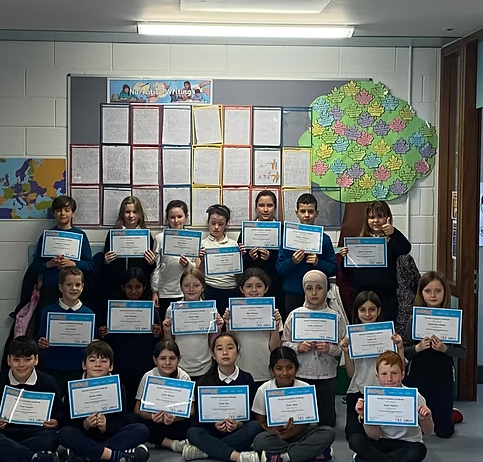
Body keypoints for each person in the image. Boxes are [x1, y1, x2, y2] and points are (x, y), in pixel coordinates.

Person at [58, 341, 150, 462]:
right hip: (84, 434)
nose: (98, 364)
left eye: (103, 361)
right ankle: (115, 456)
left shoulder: (118, 386)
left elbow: (120, 419)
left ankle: (87, 455)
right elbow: (66, 419)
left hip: (109, 435)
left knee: (141, 430)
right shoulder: (73, 386)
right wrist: (85, 424)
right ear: (84, 365)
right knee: (65, 433)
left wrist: (106, 426)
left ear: (111, 366)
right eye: (92, 360)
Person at [403, 271, 466, 439]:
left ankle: (449, 412)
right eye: (428, 291)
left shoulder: (453, 319)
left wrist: (445, 349)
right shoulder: (413, 319)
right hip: (418, 374)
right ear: (421, 293)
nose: (433, 295)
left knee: (444, 432)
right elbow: (404, 350)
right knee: (418, 429)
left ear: (444, 292)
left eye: (438, 291)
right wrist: (418, 348)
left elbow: (462, 351)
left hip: (442, 375)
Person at [183, 333, 262, 462]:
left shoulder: (247, 379)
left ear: (238, 352)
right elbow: (198, 419)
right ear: (213, 355)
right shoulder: (204, 381)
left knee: (255, 427)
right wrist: (214, 424)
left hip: (236, 432)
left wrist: (239, 424)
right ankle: (236, 456)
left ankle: (205, 451)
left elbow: (252, 416)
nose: (225, 352)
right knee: (193, 432)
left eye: (230, 348)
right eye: (219, 349)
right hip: (213, 432)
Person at [282, 270, 346, 427]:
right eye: (309, 288)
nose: (314, 293)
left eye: (319, 288)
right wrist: (298, 347)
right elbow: (284, 343)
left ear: (326, 289)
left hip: (327, 375)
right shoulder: (295, 315)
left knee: (326, 418)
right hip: (301, 373)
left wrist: (330, 348)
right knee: (301, 418)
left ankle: (324, 446)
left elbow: (344, 347)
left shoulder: (335, 317)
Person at [252, 347, 335, 462]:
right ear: (272, 370)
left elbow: (308, 421)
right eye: (279, 368)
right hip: (276, 435)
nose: (285, 373)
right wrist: (277, 430)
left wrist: (291, 433)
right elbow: (261, 422)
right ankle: (310, 453)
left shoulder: (305, 388)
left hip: (300, 432)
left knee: (328, 432)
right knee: (259, 441)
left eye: (289, 368)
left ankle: (284, 457)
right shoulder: (263, 389)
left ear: (296, 368)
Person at [339, 291, 404, 440]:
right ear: (357, 311)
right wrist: (346, 352)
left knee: (383, 436)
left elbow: (401, 371)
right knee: (354, 435)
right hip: (358, 391)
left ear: (379, 311)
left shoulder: (389, 334)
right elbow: (350, 374)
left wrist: (400, 348)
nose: (367, 314)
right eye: (362, 309)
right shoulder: (350, 337)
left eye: (372, 309)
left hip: (384, 390)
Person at [349, 351, 433, 462]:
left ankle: (371, 459)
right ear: (377, 376)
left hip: (408, 443)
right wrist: (364, 416)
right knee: (355, 440)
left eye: (394, 373)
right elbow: (374, 436)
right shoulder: (373, 397)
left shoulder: (415, 396)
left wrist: (427, 418)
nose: (389, 379)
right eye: (384, 374)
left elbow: (428, 431)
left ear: (402, 375)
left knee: (419, 450)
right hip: (383, 442)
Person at [99, 268, 161, 411]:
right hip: (121, 362)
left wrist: (158, 333)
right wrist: (104, 333)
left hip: (143, 362)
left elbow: (158, 344)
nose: (134, 291)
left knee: (140, 400)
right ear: (123, 287)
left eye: (138, 286)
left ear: (144, 287)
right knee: (122, 401)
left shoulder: (152, 310)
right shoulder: (113, 309)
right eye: (129, 287)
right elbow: (106, 341)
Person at [340, 201, 411, 322]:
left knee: (386, 329)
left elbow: (405, 248)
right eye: (372, 217)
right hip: (362, 293)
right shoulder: (358, 242)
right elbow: (347, 272)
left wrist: (394, 233)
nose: (376, 221)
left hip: (386, 295)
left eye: (380, 216)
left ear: (388, 218)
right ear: (366, 220)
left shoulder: (392, 240)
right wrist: (345, 257)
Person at [0, 336, 62, 462]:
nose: (21, 365)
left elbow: (60, 410)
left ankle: (11, 455)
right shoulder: (1, 380)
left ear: (36, 360)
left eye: (27, 359)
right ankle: (32, 457)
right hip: (5, 432)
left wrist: (55, 421)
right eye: (16, 359)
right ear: (8, 360)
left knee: (52, 438)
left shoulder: (48, 382)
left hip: (36, 432)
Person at [276, 193, 337, 317]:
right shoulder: (288, 239)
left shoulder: (324, 239)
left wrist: (318, 263)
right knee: (294, 332)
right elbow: (279, 269)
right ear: (296, 213)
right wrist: (292, 261)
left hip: (318, 296)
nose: (307, 215)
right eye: (303, 211)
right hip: (293, 294)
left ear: (317, 213)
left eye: (310, 211)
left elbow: (333, 269)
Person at [37, 267, 95, 391]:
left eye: (77, 285)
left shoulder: (89, 313)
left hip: (78, 369)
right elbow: (40, 338)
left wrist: (93, 345)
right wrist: (41, 342)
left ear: (82, 287)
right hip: (52, 368)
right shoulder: (48, 311)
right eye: (69, 284)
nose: (74, 288)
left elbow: (92, 344)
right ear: (60, 287)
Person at [32, 195, 94, 310]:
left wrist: (74, 264)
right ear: (54, 214)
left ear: (73, 213)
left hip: (73, 292)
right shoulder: (46, 236)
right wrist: (48, 264)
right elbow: (35, 267)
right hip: (50, 290)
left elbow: (90, 265)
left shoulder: (80, 236)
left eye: (67, 210)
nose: (62, 213)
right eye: (58, 210)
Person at [223, 268, 282, 388]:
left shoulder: (273, 313)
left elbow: (275, 348)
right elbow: (230, 344)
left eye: (259, 286)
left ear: (266, 289)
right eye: (248, 286)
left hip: (264, 370)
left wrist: (276, 327)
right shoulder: (234, 312)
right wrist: (228, 324)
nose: (254, 290)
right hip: (240, 370)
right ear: (241, 289)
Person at [163, 268, 224, 381]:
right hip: (179, 368)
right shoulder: (172, 310)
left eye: (196, 285)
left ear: (203, 287)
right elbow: (169, 344)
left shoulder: (210, 309)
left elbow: (212, 343)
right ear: (181, 287)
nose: (191, 289)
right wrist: (166, 331)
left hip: (205, 367)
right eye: (186, 285)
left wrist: (218, 330)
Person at [134, 339, 193, 453]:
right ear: (155, 360)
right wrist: (151, 416)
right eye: (162, 358)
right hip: (153, 423)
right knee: (133, 421)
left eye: (172, 358)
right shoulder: (148, 376)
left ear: (179, 359)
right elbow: (137, 409)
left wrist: (174, 418)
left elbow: (191, 411)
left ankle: (154, 442)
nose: (167, 363)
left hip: (174, 424)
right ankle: (171, 444)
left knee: (194, 426)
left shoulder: (184, 377)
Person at [102, 196, 155, 301]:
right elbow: (105, 268)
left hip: (140, 289)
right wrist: (106, 261)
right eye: (127, 212)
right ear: (122, 214)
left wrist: (152, 263)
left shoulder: (146, 236)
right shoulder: (113, 235)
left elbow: (152, 269)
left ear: (140, 214)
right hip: (117, 288)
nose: (131, 215)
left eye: (134, 212)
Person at [239, 190, 284, 313]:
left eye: (269, 205)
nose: (265, 209)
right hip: (252, 288)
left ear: (275, 208)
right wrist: (249, 257)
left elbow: (286, 260)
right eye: (261, 205)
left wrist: (271, 257)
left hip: (276, 285)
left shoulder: (283, 230)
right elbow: (238, 261)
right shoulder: (247, 229)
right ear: (255, 208)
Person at [151, 200, 196, 320]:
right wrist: (154, 291)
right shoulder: (160, 238)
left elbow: (196, 269)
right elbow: (156, 267)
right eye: (172, 217)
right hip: (165, 292)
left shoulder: (193, 238)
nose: (176, 221)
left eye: (179, 216)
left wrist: (188, 265)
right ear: (167, 218)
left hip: (186, 292)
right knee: (166, 327)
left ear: (186, 216)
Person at [200, 204, 245, 316]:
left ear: (226, 224)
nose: (216, 227)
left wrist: (241, 258)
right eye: (213, 223)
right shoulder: (203, 244)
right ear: (208, 222)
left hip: (231, 289)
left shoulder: (233, 245)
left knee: (229, 323)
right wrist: (201, 260)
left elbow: (239, 275)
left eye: (220, 224)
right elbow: (199, 275)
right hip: (210, 289)